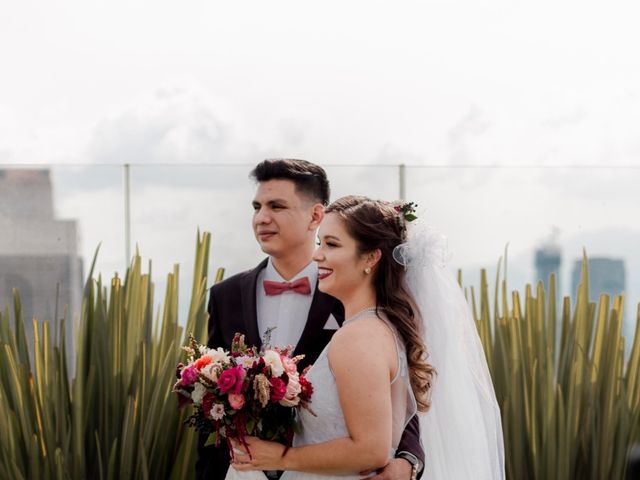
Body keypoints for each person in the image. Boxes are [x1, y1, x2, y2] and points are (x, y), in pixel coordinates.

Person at [228, 195, 506, 480]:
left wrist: (282, 457)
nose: (316, 255)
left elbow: (371, 451)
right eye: (320, 243)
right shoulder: (378, 327)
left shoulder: (359, 338)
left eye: (332, 244)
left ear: (371, 258)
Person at [196, 160, 425, 480]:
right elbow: (210, 408)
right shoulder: (226, 295)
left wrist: (407, 461)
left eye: (276, 205)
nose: (262, 217)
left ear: (315, 216)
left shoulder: (353, 301)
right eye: (257, 206)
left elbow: (395, 401)